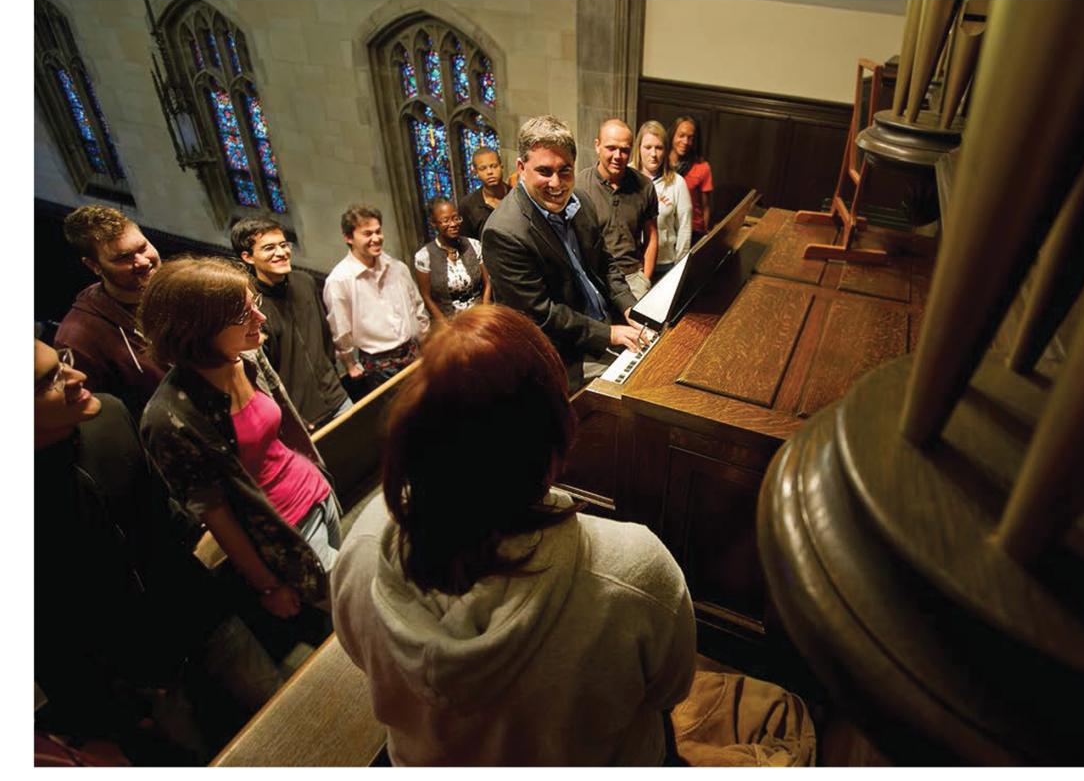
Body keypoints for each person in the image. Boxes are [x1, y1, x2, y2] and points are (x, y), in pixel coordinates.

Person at [331, 306, 818, 766]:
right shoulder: (633, 567)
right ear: (555, 436)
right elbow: (670, 690)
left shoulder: (361, 543)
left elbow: (362, 656)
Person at [34, 338, 284, 764]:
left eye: (66, 363)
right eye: (50, 380)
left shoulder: (110, 414)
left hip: (201, 613)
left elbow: (164, 508)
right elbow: (45, 633)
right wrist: (100, 712)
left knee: (282, 714)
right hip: (134, 673)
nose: (76, 378)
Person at [140, 257, 344, 623]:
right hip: (286, 532)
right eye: (242, 315)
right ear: (195, 332)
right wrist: (267, 585)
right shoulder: (169, 417)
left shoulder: (245, 356)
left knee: (357, 588)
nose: (260, 319)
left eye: (256, 304)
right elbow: (215, 513)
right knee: (357, 610)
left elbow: (283, 429)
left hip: (318, 492)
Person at [482, 115, 647, 391]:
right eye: (544, 171)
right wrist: (608, 334)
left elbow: (605, 262)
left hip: (605, 323)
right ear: (522, 167)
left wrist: (629, 306)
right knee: (635, 391)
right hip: (564, 353)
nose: (557, 184)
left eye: (565, 170)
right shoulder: (504, 232)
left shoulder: (581, 201)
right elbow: (541, 316)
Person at [231, 218, 352, 431]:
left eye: (283, 244)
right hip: (301, 416)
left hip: (337, 398)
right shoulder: (250, 305)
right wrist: (288, 417)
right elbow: (257, 374)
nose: (281, 252)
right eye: (269, 248)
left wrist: (331, 375)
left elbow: (325, 338)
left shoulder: (305, 282)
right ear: (247, 257)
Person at [55, 205, 165, 420]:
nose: (142, 262)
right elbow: (98, 422)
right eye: (123, 258)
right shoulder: (77, 340)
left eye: (143, 247)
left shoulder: (180, 285)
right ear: (94, 265)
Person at [323, 204, 430, 399]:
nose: (376, 238)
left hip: (412, 351)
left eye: (378, 231)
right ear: (348, 238)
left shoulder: (397, 267)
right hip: (379, 364)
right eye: (367, 233)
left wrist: (425, 340)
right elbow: (340, 328)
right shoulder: (339, 280)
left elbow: (417, 306)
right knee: (398, 417)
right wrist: (349, 363)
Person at [576, 118, 659, 300]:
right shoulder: (580, 185)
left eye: (624, 150)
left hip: (633, 278)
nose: (617, 156)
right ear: (597, 146)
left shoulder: (645, 186)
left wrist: (645, 278)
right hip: (595, 279)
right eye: (611, 148)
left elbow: (652, 235)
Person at [413, 198, 491, 331]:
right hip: (448, 324)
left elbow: (487, 283)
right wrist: (445, 325)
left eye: (456, 218)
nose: (453, 224)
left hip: (478, 319)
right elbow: (426, 296)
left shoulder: (474, 245)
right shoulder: (424, 256)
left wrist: (485, 312)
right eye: (445, 220)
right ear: (433, 223)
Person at [632, 120, 693, 279]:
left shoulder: (677, 183)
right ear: (639, 148)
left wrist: (678, 268)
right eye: (648, 147)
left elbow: (685, 229)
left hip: (664, 265)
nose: (653, 154)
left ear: (666, 150)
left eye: (659, 148)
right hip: (631, 265)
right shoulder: (627, 176)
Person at [668, 116, 714, 241]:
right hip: (666, 227)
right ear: (672, 135)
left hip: (692, 230)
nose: (685, 142)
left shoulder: (702, 167)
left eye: (690, 138)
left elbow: (705, 206)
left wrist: (705, 234)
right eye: (681, 135)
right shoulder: (661, 162)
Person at [457, 146, 511, 240]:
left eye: (494, 166)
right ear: (476, 172)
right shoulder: (468, 205)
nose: (490, 172)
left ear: (501, 167)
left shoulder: (516, 196)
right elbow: (467, 243)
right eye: (483, 168)